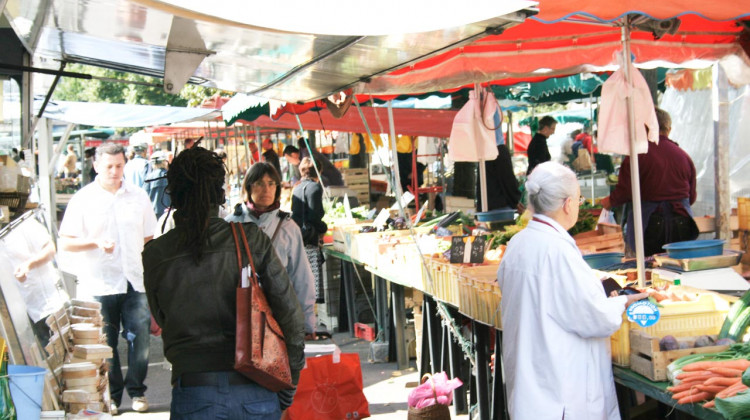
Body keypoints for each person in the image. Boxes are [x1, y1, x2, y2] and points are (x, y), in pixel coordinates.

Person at [142, 147, 305, 419]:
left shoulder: (156, 254)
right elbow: (291, 316)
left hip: (194, 392)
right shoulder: (250, 239)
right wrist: (289, 384)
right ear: (219, 194)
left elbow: (161, 318)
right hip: (256, 386)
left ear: (172, 194)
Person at [498, 161, 648, 420]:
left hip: (531, 386)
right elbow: (594, 318)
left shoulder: (518, 243)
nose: (578, 205)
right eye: (579, 200)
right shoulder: (557, 251)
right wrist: (621, 302)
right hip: (560, 391)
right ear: (568, 204)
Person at [59, 142, 157, 414]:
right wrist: (94, 242)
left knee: (141, 340)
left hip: (134, 280)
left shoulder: (138, 196)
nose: (115, 172)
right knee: (106, 344)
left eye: (119, 166)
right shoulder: (83, 199)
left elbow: (149, 237)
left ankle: (137, 391)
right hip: (99, 282)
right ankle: (110, 396)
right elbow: (65, 242)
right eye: (109, 167)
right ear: (96, 166)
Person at [225, 162, 317, 339]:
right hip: (237, 315)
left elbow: (301, 278)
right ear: (248, 187)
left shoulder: (288, 227)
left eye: (271, 183)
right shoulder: (230, 225)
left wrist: (307, 323)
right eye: (259, 183)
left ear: (277, 188)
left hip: (279, 315)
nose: (265, 189)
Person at [601, 108, 698, 256]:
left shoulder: (637, 155)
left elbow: (625, 191)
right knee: (679, 267)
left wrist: (610, 201)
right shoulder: (683, 156)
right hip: (682, 222)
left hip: (649, 225)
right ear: (669, 129)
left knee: (651, 269)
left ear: (644, 128)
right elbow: (691, 196)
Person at [0, 216, 68, 348]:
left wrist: (29, 265)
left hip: (49, 305)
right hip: (21, 314)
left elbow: (50, 249)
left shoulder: (25, 224)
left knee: (65, 355)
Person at [291, 157, 328, 305]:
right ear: (318, 172)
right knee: (312, 287)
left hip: (299, 239)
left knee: (303, 283)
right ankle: (310, 320)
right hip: (310, 242)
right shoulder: (315, 187)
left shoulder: (297, 187)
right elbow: (314, 216)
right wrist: (323, 228)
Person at [476, 143, 522, 213]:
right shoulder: (500, 151)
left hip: (485, 206)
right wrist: (515, 200)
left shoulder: (483, 150)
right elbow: (508, 179)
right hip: (501, 206)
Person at [144, 151, 170, 219]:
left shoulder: (149, 178)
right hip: (168, 212)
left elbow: (145, 196)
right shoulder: (171, 176)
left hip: (153, 213)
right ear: (164, 162)